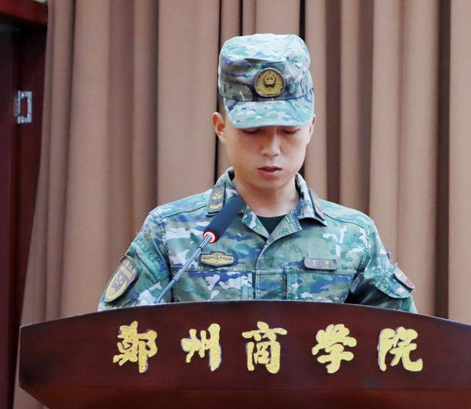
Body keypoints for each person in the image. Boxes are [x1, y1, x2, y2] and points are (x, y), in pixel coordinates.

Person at [99, 33, 417, 313]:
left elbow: (406, 343)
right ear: (221, 127)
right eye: (253, 131)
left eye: (289, 131)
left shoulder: (354, 237)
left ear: (310, 128)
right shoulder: (170, 231)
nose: (271, 148)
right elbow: (116, 340)